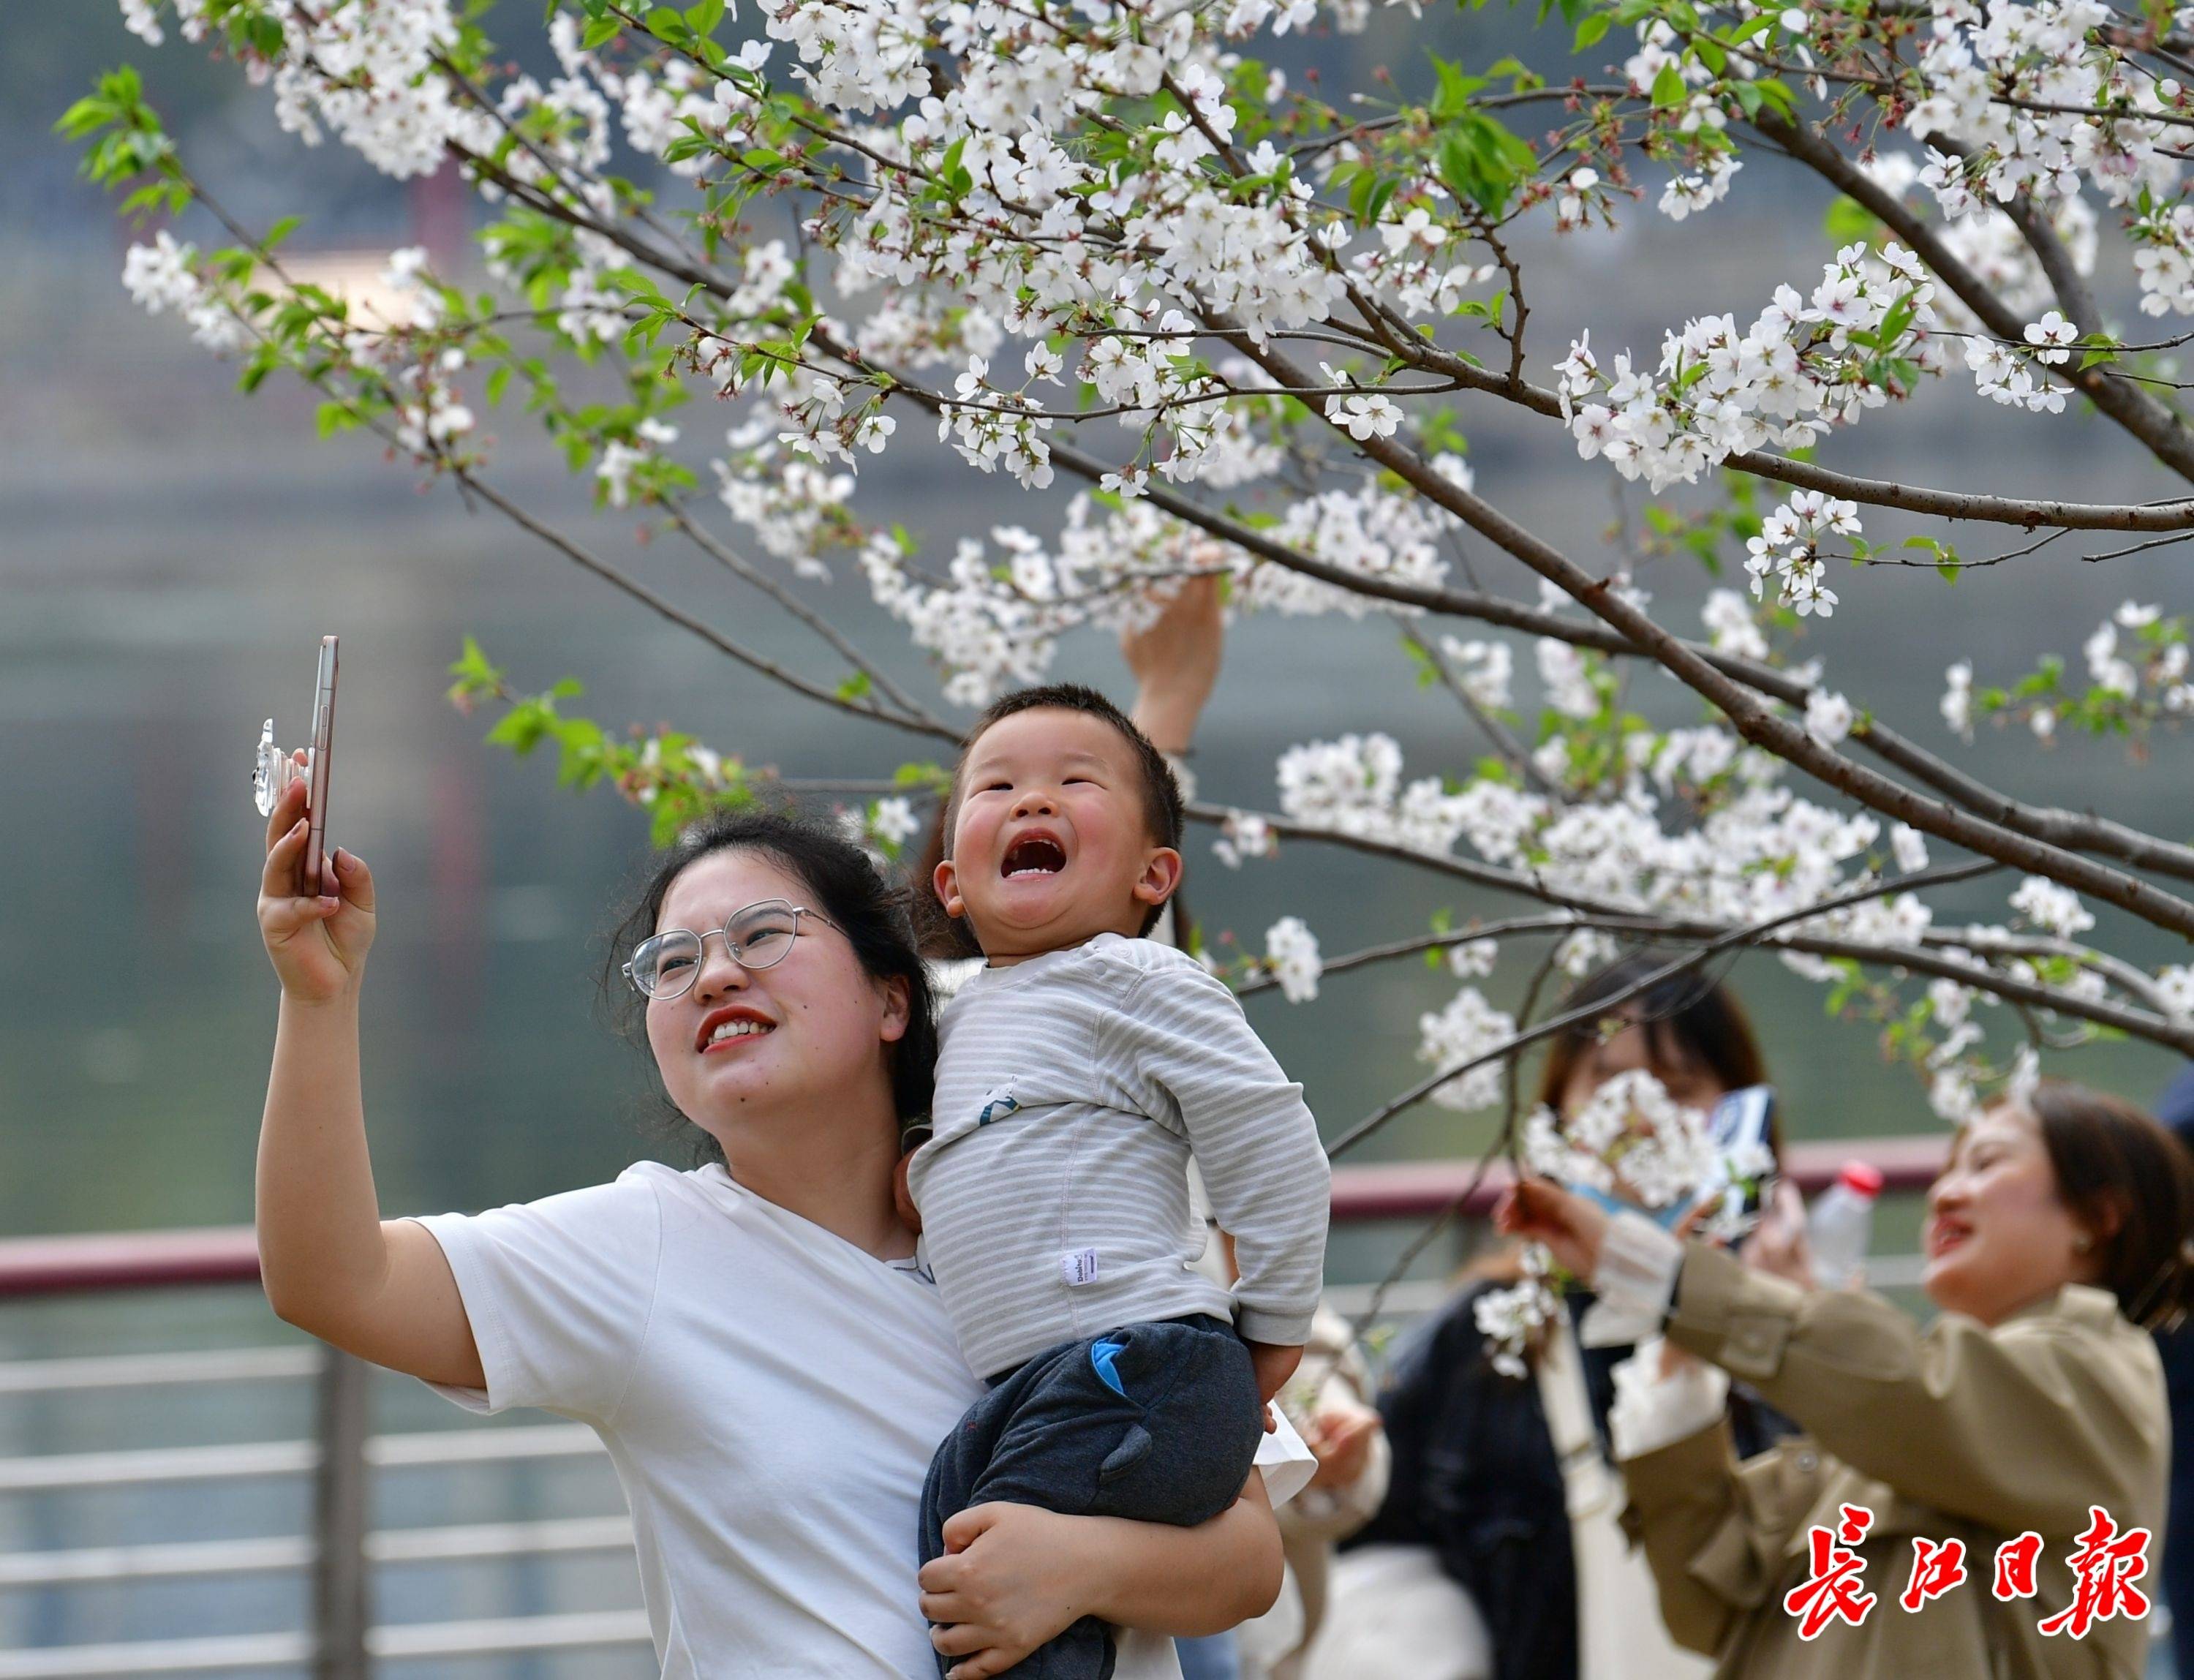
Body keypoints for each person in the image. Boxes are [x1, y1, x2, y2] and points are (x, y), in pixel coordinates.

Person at [253, 778, 1307, 1680]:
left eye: (761, 936)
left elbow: (1250, 1557)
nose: (712, 974)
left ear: (893, 998)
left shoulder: (1045, 1207)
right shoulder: (646, 1250)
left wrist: (1080, 1567)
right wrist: (319, 998)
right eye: (672, 963)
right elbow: (329, 1279)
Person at [910, 682, 1333, 1679]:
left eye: (1074, 781)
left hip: (1140, 1357)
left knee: (1006, 1561)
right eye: (999, 784)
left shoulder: (1133, 979)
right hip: (1038, 1379)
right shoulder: (961, 1019)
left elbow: (1271, 1144)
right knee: (953, 1526)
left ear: (1156, 875)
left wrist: (1271, 1327)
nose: (1031, 801)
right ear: (950, 885)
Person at [1499, 1079, 2194, 1679]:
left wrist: (1675, 1283)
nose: (1945, 1193)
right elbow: (1711, 1600)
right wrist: (1682, 1364)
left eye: (1986, 1163)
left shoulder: (2098, 1372)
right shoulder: (1901, 1428)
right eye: (1948, 1168)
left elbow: (1910, 1393)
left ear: (2100, 1216)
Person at [1313, 958, 1785, 1680]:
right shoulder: (1484, 1339)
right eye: (1608, 1082)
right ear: (1557, 1110)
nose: (1642, 1115)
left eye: (1679, 1087)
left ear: (1740, 1115)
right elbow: (1375, 1542)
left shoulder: (1788, 1331)